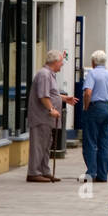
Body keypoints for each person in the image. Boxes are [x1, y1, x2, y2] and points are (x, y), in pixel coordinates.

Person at [26, 51, 76, 183]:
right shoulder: (44, 75)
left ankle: (44, 170)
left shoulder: (49, 75)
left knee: (46, 144)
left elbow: (51, 94)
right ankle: (34, 172)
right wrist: (51, 109)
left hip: (47, 119)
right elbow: (43, 95)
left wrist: (64, 99)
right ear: (55, 62)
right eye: (61, 62)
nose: (62, 64)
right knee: (39, 145)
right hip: (41, 117)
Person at [82, 51, 108, 181]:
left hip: (95, 107)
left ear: (93, 62)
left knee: (90, 141)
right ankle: (103, 175)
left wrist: (86, 107)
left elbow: (88, 93)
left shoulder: (92, 73)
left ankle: (91, 173)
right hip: (107, 108)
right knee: (104, 143)